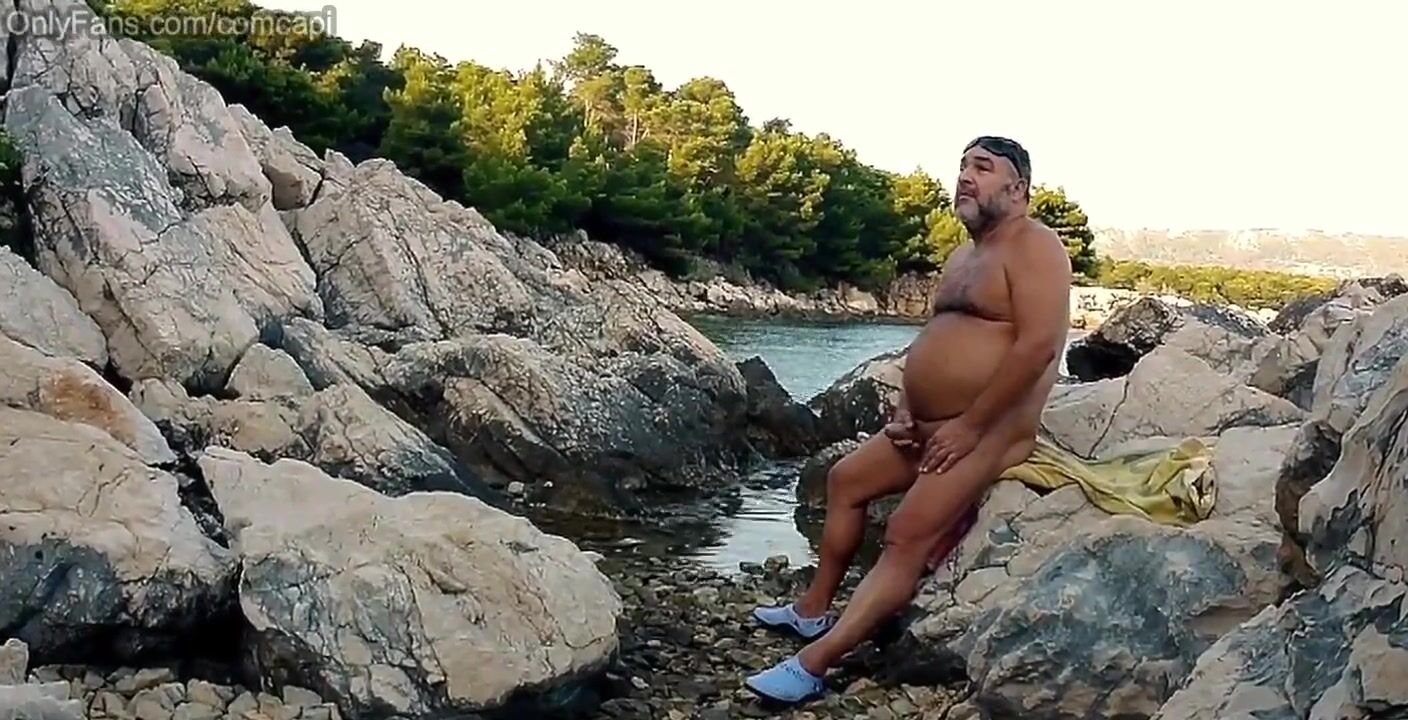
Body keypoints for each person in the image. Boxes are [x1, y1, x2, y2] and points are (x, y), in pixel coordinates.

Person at [743, 135, 1073, 703]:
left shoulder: (1036, 245)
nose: (965, 176)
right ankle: (812, 610)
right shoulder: (963, 257)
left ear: (1018, 188)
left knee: (904, 534)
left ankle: (812, 665)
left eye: (983, 168)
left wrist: (970, 426)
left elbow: (1037, 347)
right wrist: (906, 408)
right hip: (926, 426)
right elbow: (937, 338)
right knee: (845, 481)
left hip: (989, 431)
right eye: (963, 166)